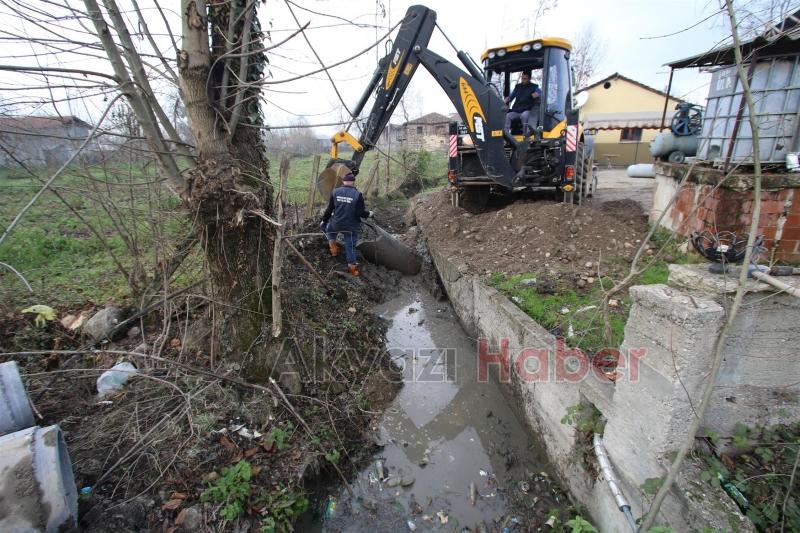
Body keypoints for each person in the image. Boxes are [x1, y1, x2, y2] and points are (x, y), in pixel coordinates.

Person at [320, 171, 373, 276]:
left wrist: (324, 221)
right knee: (350, 246)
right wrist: (370, 214)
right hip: (350, 227)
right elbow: (360, 213)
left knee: (329, 229)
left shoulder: (335, 192)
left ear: (343, 181)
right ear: (353, 182)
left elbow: (329, 210)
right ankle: (352, 268)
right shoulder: (358, 195)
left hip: (336, 223)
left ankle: (333, 249)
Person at [503, 71, 541, 136]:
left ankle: (525, 134)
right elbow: (511, 97)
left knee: (524, 115)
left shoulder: (534, 87)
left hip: (527, 110)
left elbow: (540, 93)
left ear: (529, 79)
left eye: (525, 79)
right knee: (508, 116)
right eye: (522, 78)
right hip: (517, 111)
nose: (523, 80)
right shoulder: (517, 87)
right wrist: (505, 100)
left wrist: (538, 94)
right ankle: (506, 135)